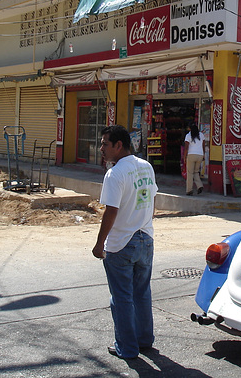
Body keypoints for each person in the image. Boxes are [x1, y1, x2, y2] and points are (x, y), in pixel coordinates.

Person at [93, 125, 158, 360]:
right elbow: (152, 199)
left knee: (121, 298)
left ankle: (127, 348)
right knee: (141, 293)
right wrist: (145, 224)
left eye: (105, 144)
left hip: (122, 243)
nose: (101, 149)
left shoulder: (115, 173)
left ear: (119, 145)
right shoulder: (146, 167)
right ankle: (144, 339)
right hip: (145, 239)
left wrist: (99, 244)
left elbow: (111, 211)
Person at [184, 124, 206, 195]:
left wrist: (184, 157)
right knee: (196, 172)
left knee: (190, 173)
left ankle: (189, 190)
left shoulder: (188, 136)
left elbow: (186, 147)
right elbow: (203, 145)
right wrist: (203, 155)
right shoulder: (201, 135)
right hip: (200, 155)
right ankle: (199, 185)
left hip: (191, 155)